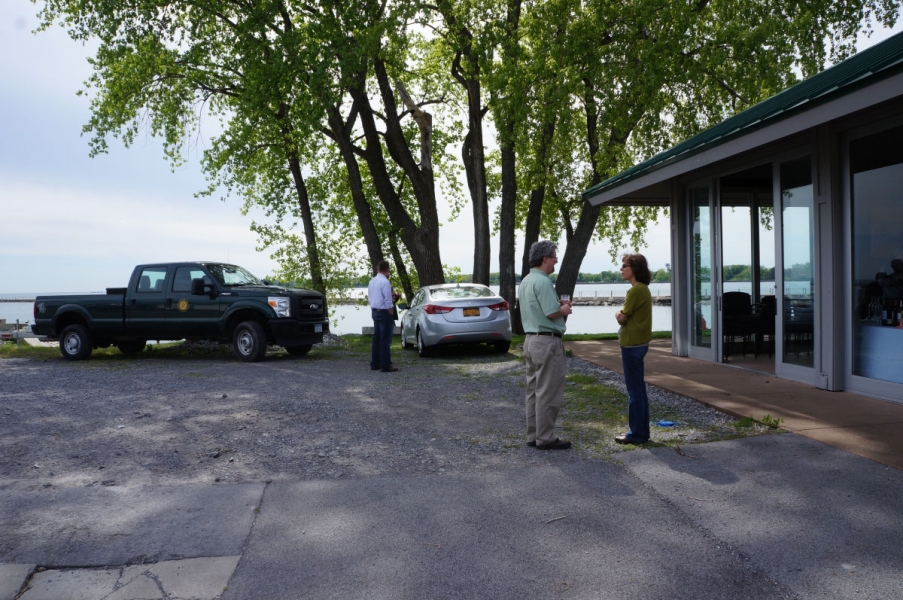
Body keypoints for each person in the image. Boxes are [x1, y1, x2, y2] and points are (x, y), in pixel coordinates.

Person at [519, 240, 573, 450]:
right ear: (545, 259)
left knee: (533, 390)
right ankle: (546, 437)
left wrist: (556, 307)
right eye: (554, 256)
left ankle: (533, 434)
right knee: (548, 391)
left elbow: (539, 309)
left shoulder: (526, 281)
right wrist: (564, 310)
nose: (556, 260)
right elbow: (551, 313)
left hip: (531, 340)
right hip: (547, 341)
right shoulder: (543, 282)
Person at [615, 253, 653, 444]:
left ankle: (636, 434)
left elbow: (623, 315)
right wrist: (621, 314)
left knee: (634, 391)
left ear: (635, 269)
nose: (621, 269)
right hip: (640, 344)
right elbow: (624, 315)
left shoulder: (636, 291)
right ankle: (642, 431)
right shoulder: (643, 289)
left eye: (624, 265)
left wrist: (618, 313)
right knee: (639, 389)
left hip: (632, 345)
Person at [367, 260, 399, 373]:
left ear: (377, 268)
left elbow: (370, 297)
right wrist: (390, 311)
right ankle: (386, 364)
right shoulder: (385, 282)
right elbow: (387, 298)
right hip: (384, 311)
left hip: (375, 310)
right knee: (385, 339)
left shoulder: (372, 281)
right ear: (387, 270)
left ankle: (375, 363)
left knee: (377, 338)